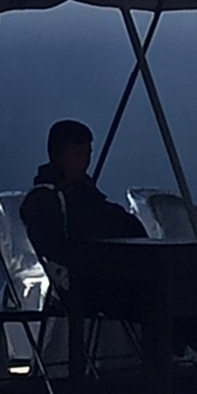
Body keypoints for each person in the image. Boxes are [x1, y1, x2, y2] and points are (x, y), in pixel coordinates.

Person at [17, 119, 143, 295]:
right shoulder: (42, 201)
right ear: (57, 155)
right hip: (87, 284)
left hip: (116, 273)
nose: (84, 162)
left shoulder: (86, 194)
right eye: (77, 155)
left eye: (87, 154)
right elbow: (57, 253)